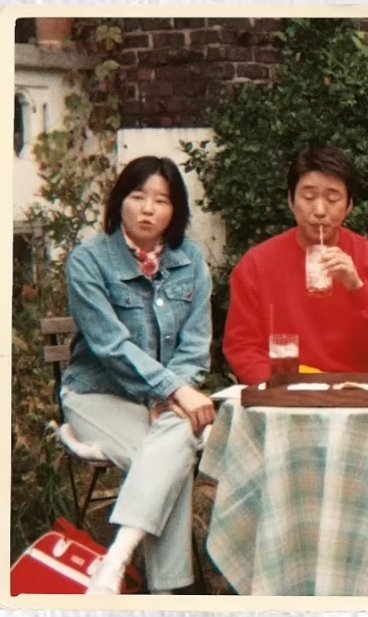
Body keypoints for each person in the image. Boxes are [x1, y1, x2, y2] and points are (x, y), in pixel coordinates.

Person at [61, 156, 215, 594]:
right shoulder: (88, 260)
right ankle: (169, 593)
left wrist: (167, 397)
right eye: (138, 196)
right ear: (119, 201)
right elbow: (110, 345)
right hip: (96, 393)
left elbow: (194, 345)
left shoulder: (190, 260)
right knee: (175, 452)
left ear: (175, 209)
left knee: (172, 442)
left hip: (162, 402)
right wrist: (173, 390)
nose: (148, 209)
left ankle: (116, 559)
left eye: (161, 200)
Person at [223, 145, 368, 384]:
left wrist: (359, 288)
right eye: (308, 197)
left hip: (359, 393)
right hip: (285, 393)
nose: (320, 210)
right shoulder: (256, 265)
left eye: (332, 198)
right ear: (291, 200)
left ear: (349, 205)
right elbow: (242, 347)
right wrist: (285, 388)